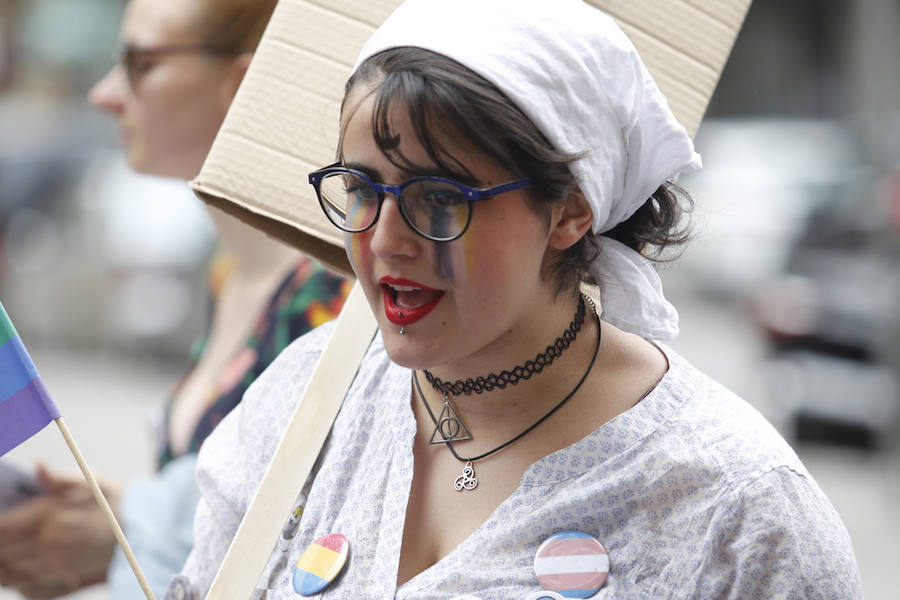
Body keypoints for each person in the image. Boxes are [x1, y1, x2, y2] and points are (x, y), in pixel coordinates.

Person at [167, 0, 863, 597]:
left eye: (439, 198)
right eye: (361, 188)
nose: (384, 241)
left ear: (569, 211)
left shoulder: (737, 508)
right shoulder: (304, 403)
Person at [0, 0, 349, 598]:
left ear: (242, 83)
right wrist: (115, 508)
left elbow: (323, 531)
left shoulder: (336, 305)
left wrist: (131, 525)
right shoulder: (228, 274)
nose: (104, 94)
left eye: (141, 63)